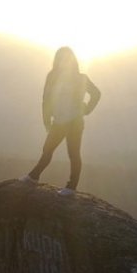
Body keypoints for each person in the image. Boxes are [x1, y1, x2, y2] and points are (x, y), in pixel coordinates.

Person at [20, 46, 101, 196]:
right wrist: (46, 119)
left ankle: (71, 186)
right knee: (47, 149)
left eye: (66, 59)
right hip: (59, 120)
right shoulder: (52, 76)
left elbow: (96, 93)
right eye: (61, 59)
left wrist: (87, 109)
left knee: (73, 153)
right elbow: (45, 99)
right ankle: (34, 176)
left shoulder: (81, 78)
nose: (63, 62)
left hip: (75, 121)